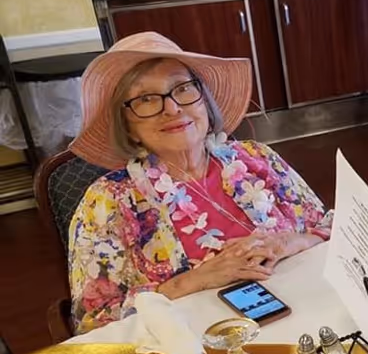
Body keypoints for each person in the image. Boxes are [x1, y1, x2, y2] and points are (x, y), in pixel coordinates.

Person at [67, 32, 333, 334]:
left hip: (307, 316)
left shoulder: (256, 157)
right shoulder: (106, 200)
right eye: (146, 99)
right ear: (127, 127)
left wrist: (295, 240)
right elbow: (92, 321)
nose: (172, 108)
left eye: (182, 88)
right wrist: (195, 280)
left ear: (204, 100)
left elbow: (335, 226)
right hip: (197, 346)